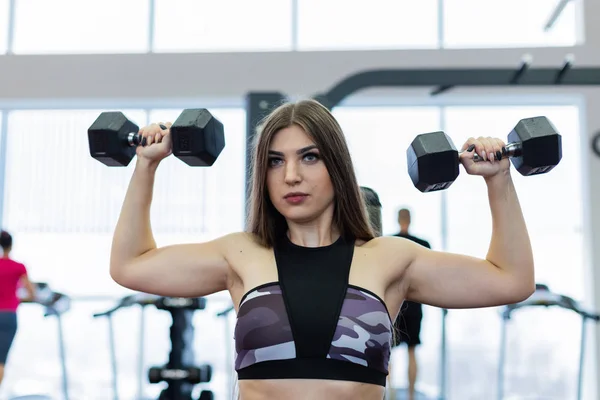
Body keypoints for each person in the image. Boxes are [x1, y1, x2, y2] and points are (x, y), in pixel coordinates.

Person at [109, 99, 535, 400]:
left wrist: (498, 180)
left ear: (337, 166)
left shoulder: (389, 257)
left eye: (309, 157)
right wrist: (147, 164)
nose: (291, 175)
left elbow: (511, 280)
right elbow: (131, 265)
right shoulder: (240, 254)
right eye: (275, 161)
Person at [389, 208, 431, 400]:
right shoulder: (422, 245)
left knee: (387, 351)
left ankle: (389, 392)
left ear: (398, 220)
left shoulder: (389, 244)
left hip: (395, 302)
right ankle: (411, 396)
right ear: (410, 220)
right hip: (414, 303)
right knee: (412, 350)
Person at [0, 230, 36, 387]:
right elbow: (31, 294)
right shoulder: (18, 267)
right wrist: (16, 299)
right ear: (11, 245)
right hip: (8, 315)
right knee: (1, 361)